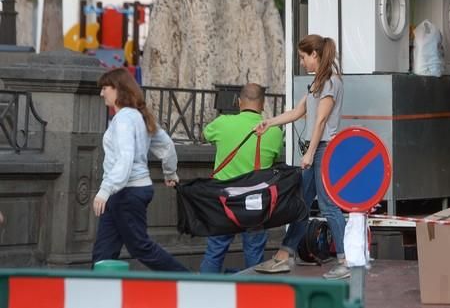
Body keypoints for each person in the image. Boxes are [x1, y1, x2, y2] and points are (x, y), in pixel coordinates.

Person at [253, 34, 349, 280]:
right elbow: (297, 112)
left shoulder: (330, 82)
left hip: (324, 149)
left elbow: (320, 121)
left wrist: (308, 153)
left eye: (303, 57)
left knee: (328, 205)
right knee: (301, 205)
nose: (302, 62)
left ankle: (344, 261)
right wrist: (269, 122)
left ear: (315, 55)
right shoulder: (317, 82)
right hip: (316, 148)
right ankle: (284, 256)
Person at [92, 68, 188, 272]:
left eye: (105, 88)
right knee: (104, 251)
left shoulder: (124, 119)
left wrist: (105, 189)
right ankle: (98, 292)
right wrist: (170, 172)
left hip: (127, 191)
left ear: (118, 89)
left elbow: (125, 157)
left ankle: (187, 280)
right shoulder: (139, 116)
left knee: (140, 247)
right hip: (126, 191)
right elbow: (167, 146)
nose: (102, 94)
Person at [200, 83, 283, 273]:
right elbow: (274, 158)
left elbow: (205, 135)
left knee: (215, 250)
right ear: (263, 105)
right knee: (254, 253)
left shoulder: (222, 123)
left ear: (239, 102)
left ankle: (204, 292)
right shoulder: (275, 131)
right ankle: (252, 296)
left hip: (225, 200)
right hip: (255, 203)